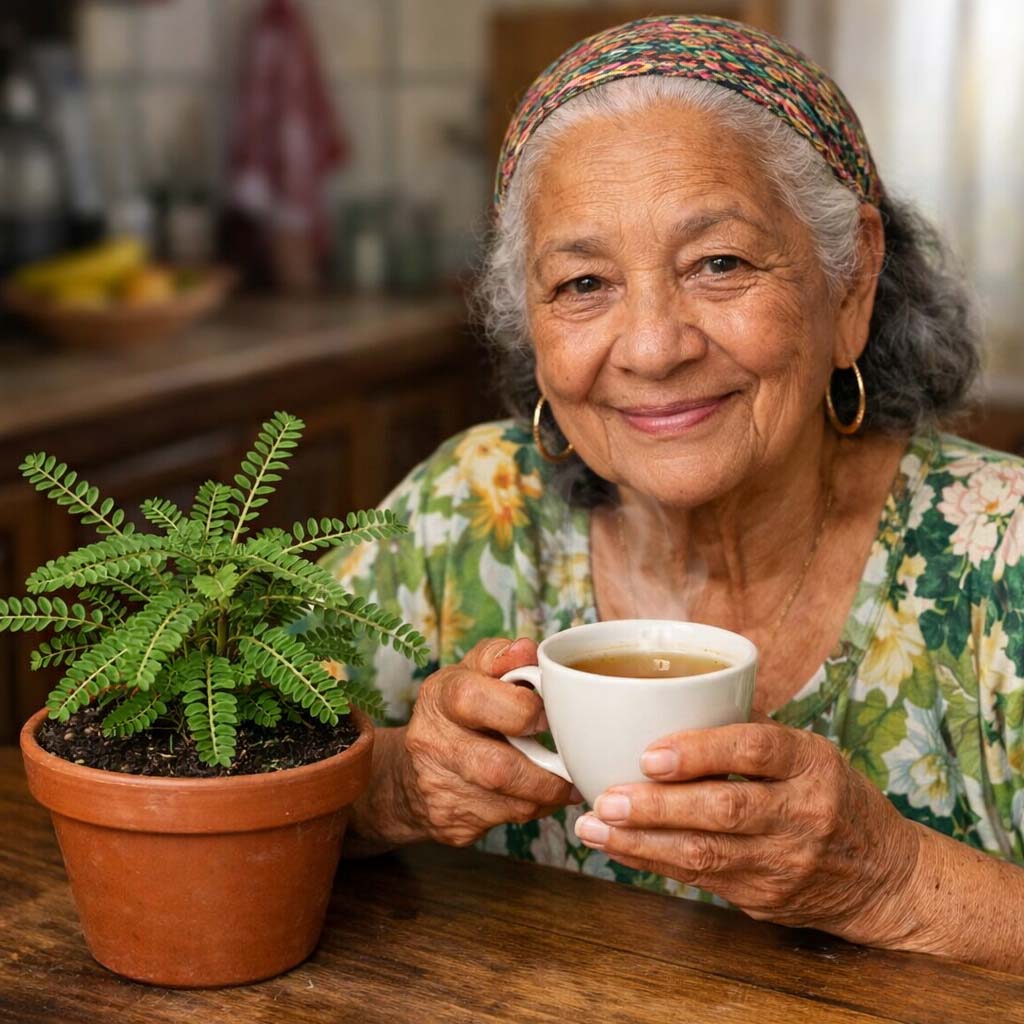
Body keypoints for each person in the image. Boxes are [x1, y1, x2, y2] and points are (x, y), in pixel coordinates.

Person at [319, 15, 1024, 971]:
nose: (653, 348)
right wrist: (393, 786)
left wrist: (889, 881)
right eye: (582, 283)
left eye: (720, 264)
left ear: (850, 282)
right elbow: (185, 758)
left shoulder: (1001, 559)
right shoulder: (468, 509)